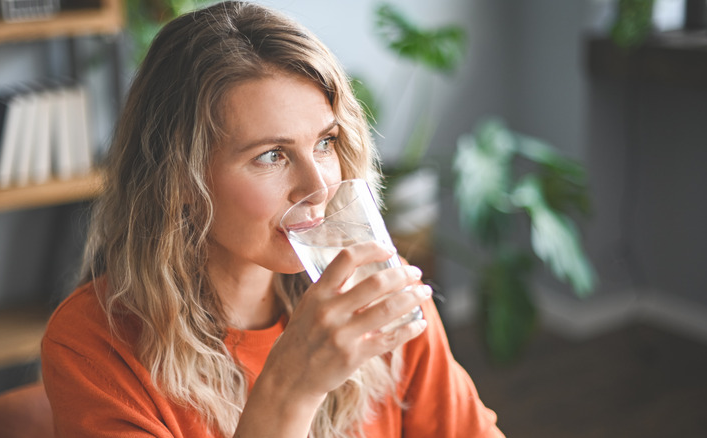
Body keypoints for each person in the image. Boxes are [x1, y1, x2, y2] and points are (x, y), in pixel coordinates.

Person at [41, 1, 504, 437]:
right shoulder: (93, 347)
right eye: (271, 155)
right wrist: (290, 389)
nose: (319, 187)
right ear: (178, 179)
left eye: (325, 142)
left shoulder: (373, 293)